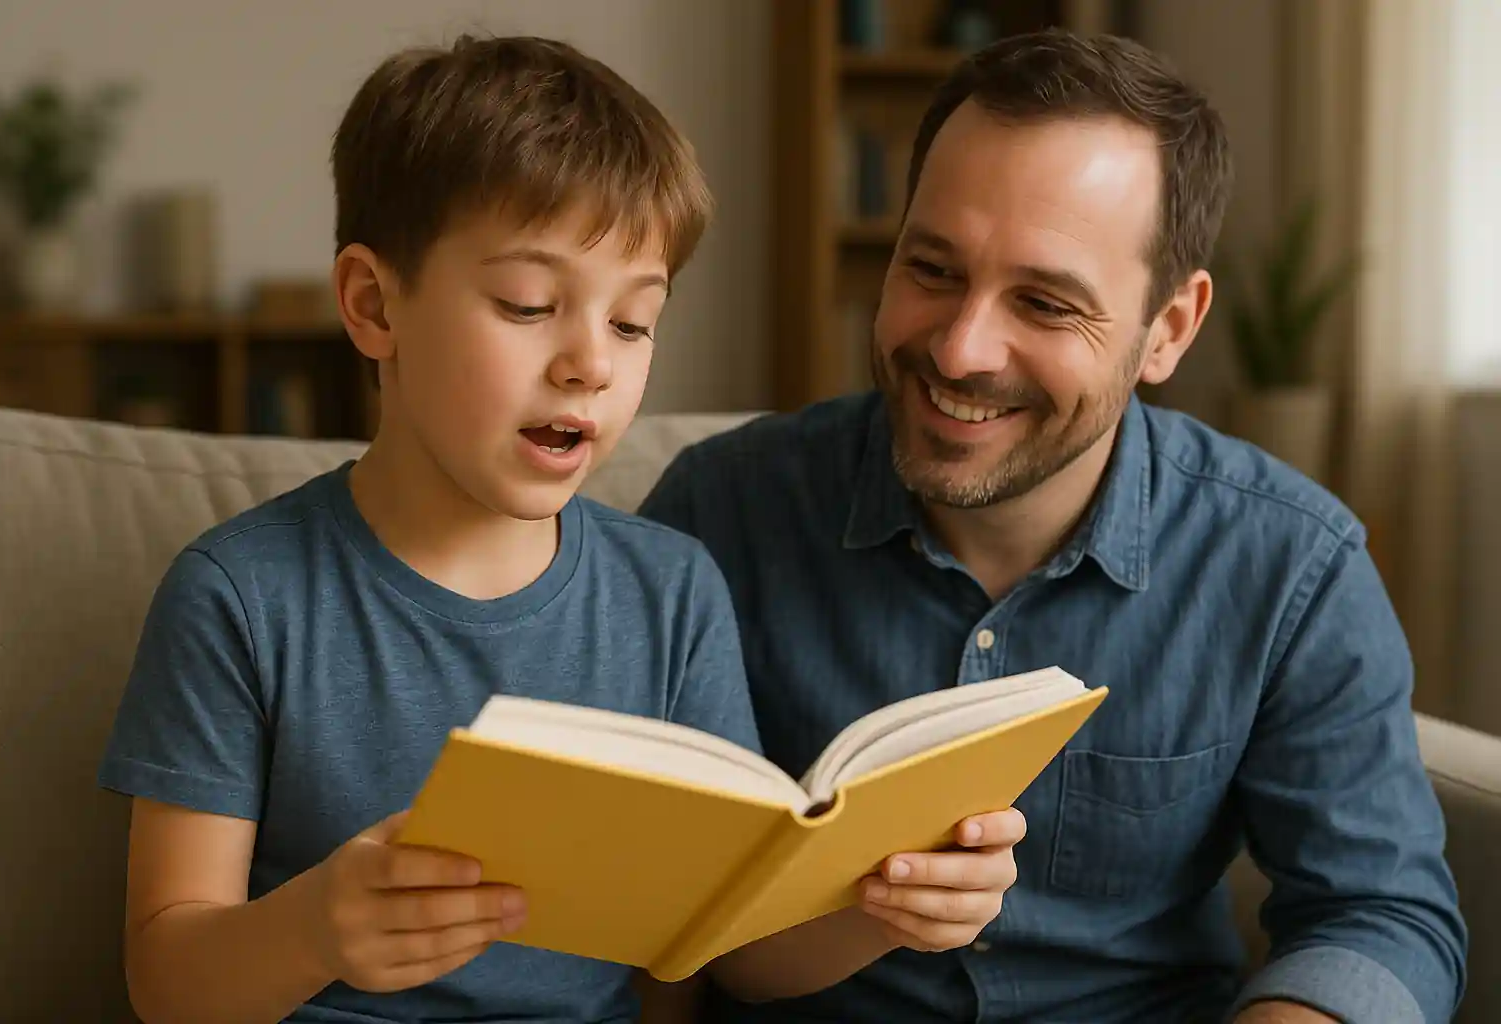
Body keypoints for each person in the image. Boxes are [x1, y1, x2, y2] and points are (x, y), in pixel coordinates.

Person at [95, 33, 1029, 1024]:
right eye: (530, 304)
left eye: (633, 323)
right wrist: (316, 927)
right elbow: (167, 981)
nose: (590, 362)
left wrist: (887, 905)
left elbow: (714, 949)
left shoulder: (671, 592)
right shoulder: (242, 594)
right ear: (374, 305)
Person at [640, 28, 1467, 1024]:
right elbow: (651, 908)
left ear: (1169, 328)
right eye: (933, 270)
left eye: (1043, 300)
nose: (960, 347)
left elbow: (1380, 914)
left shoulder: (1291, 563)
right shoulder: (716, 515)